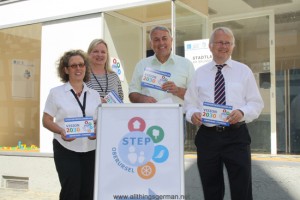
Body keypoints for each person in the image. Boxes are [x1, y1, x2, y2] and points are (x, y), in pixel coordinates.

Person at [184, 27, 264, 200]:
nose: (224, 46)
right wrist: (193, 114)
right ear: (211, 46)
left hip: (236, 136)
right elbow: (189, 104)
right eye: (220, 42)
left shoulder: (244, 71)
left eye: (228, 43)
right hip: (208, 137)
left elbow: (256, 103)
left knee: (241, 189)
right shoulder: (200, 73)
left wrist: (242, 112)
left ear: (233, 47)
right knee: (211, 188)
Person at [42, 50, 101, 200]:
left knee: (89, 192)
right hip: (66, 148)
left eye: (81, 65)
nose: (78, 69)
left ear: (85, 68)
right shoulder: (56, 93)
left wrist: (97, 130)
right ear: (66, 70)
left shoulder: (94, 94)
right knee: (70, 191)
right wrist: (61, 131)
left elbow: (99, 120)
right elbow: (46, 120)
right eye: (73, 66)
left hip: (91, 149)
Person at [129, 25, 195, 104]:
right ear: (151, 44)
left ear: (171, 40)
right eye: (156, 40)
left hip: (177, 116)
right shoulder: (142, 65)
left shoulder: (186, 65)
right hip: (148, 115)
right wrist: (142, 98)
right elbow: (132, 93)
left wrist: (178, 90)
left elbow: (195, 96)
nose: (161, 43)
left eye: (164, 38)